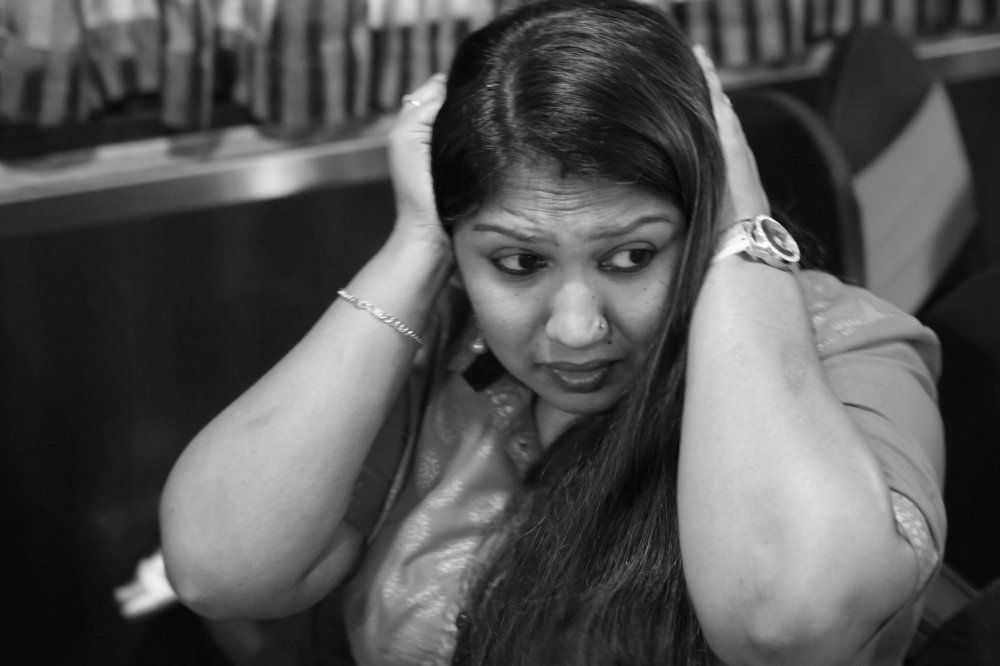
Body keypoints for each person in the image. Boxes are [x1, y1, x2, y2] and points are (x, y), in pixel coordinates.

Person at [158, 1, 946, 663]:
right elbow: (220, 569)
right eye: (519, 262)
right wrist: (415, 246)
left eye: (631, 257)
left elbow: (789, 621)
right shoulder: (445, 340)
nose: (575, 330)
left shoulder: (852, 346)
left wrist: (743, 230)